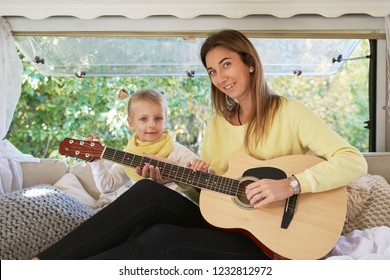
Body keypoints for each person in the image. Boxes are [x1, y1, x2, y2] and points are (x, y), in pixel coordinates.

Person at [34, 29, 367, 260]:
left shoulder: (289, 111)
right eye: (211, 71)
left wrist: (291, 184)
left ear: (249, 63)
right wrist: (180, 179)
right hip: (229, 224)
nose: (220, 78)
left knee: (161, 239)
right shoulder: (217, 124)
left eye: (226, 64)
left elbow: (354, 161)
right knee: (147, 193)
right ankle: (41, 265)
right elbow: (208, 195)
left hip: (274, 241)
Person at [88, 88, 204, 205]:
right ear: (131, 123)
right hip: (148, 213)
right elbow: (107, 186)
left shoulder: (176, 150)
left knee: (144, 188)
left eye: (158, 118)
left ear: (165, 120)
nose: (152, 125)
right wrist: (96, 160)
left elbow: (207, 177)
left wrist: (201, 168)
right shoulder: (129, 154)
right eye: (144, 119)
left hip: (178, 208)